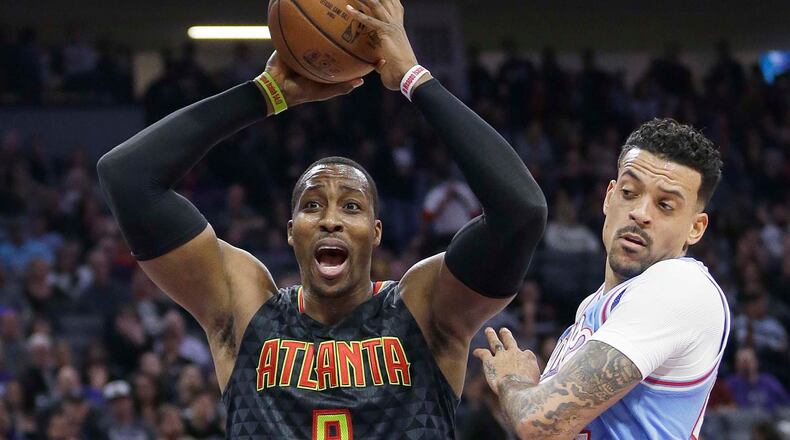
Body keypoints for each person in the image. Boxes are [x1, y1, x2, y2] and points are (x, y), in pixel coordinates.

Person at [96, 0, 547, 438]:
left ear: (375, 233)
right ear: (291, 233)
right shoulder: (244, 307)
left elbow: (520, 211)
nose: (330, 219)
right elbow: (127, 178)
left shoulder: (425, 308)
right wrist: (263, 94)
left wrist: (413, 79)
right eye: (312, 205)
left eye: (351, 206)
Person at [474, 118, 729, 439]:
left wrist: (514, 380)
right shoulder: (593, 306)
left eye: (665, 205)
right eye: (629, 192)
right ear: (609, 197)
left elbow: (538, 424)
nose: (641, 213)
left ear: (696, 228)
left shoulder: (681, 286)